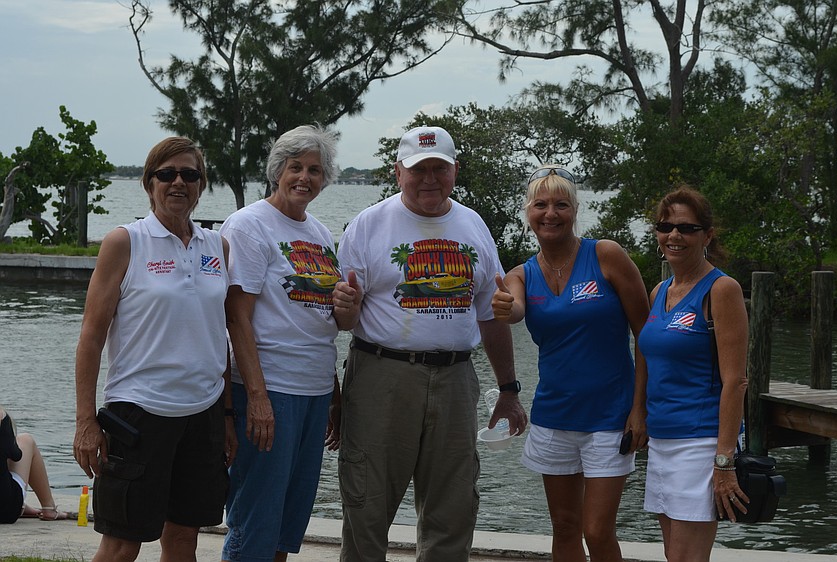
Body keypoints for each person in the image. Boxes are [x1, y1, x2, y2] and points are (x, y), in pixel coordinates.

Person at [331, 125, 528, 561]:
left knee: (453, 506)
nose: (429, 179)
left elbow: (490, 313)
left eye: (440, 168)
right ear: (398, 171)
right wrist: (344, 306)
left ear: (455, 170)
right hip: (381, 374)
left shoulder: (472, 224)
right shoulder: (368, 225)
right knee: (367, 503)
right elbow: (343, 321)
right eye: (419, 169)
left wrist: (510, 390)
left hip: (457, 377)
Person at [73, 137, 235, 562]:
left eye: (190, 174)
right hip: (140, 413)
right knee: (123, 542)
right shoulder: (124, 242)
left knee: (184, 538)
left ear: (202, 185)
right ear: (149, 184)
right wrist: (86, 421)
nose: (178, 182)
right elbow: (91, 336)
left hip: (203, 413)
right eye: (167, 174)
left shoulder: (217, 246)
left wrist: (229, 415)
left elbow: (221, 334)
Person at [491, 165, 650, 562]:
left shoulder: (607, 255)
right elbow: (514, 308)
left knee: (596, 530)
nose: (551, 213)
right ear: (528, 213)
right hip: (554, 416)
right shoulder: (520, 275)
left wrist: (640, 408)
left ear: (575, 209)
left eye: (561, 204)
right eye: (541, 204)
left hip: (610, 417)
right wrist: (506, 309)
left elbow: (647, 335)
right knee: (563, 527)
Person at [219, 124, 343, 562]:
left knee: (287, 526)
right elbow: (237, 317)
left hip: (313, 390)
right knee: (255, 520)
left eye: (315, 169)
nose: (304, 178)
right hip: (269, 389)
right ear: (277, 171)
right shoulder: (250, 225)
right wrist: (255, 396)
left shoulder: (322, 234)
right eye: (295, 167)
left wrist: (334, 393)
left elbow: (316, 318)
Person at [638, 186, 749, 562]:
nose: (674, 236)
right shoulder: (659, 291)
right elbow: (649, 362)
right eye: (665, 226)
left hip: (699, 445)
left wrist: (724, 461)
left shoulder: (721, 290)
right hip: (662, 442)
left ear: (707, 235)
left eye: (686, 228)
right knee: (674, 556)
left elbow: (736, 381)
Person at [1, 406, 69, 523]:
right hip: (5, 510)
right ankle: (49, 508)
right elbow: (16, 455)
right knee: (26, 440)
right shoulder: (1, 416)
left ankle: (22, 505)